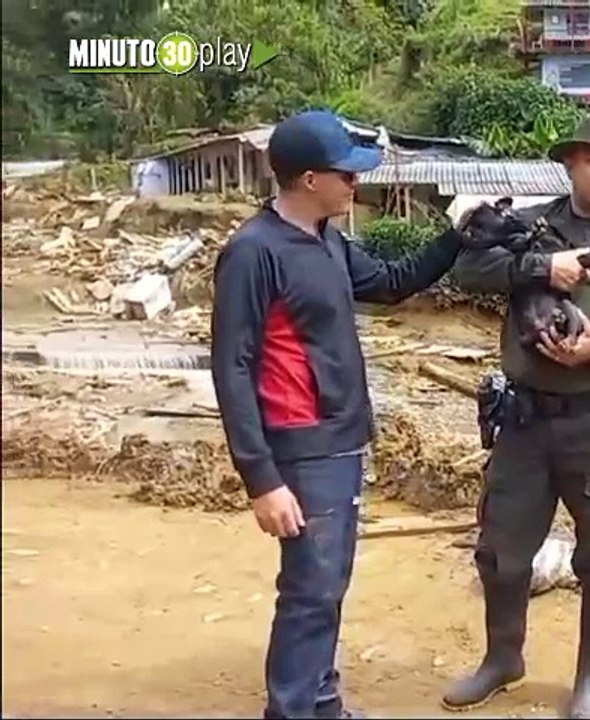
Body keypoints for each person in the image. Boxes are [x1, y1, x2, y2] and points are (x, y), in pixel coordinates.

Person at [210, 109, 464, 719]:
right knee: (310, 590)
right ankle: (294, 709)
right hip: (301, 445)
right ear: (306, 179)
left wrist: (459, 236)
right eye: (346, 175)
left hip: (342, 440)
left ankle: (321, 702)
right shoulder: (253, 253)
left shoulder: (327, 239)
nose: (356, 185)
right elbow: (232, 368)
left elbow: (393, 283)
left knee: (328, 586)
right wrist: (262, 479)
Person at [443, 112, 590, 719]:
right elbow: (468, 268)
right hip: (524, 423)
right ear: (571, 165)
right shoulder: (534, 228)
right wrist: (541, 268)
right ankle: (503, 660)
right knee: (501, 551)